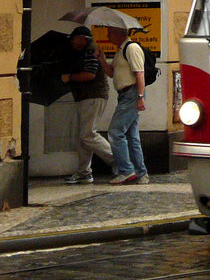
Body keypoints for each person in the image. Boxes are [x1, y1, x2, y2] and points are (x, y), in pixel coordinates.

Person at [60, 26, 114, 184]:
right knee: (83, 137)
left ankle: (119, 160)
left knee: (88, 135)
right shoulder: (84, 51)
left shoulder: (91, 50)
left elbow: (90, 74)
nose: (71, 42)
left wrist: (69, 77)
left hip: (93, 95)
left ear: (83, 38)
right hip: (86, 97)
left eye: (74, 38)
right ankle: (84, 172)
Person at [96, 29, 150, 185]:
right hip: (125, 95)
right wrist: (101, 59)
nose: (107, 36)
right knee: (132, 136)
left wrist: (140, 97)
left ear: (120, 34)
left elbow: (140, 73)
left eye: (110, 33)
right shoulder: (120, 51)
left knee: (115, 131)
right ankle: (141, 173)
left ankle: (126, 171)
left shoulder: (131, 48)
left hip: (131, 94)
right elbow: (111, 73)